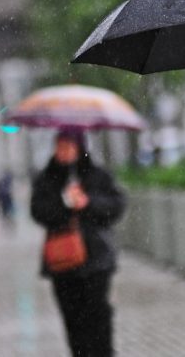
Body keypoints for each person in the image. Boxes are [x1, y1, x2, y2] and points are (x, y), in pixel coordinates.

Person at [31, 129, 126, 357]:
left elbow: (116, 206)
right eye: (60, 146)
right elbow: (38, 212)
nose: (64, 151)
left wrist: (87, 202)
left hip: (96, 260)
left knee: (99, 316)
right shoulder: (47, 178)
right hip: (62, 261)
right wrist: (64, 203)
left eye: (69, 146)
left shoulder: (98, 175)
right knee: (73, 321)